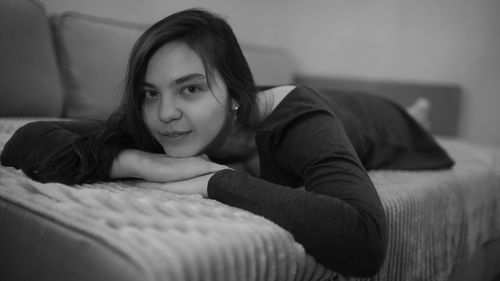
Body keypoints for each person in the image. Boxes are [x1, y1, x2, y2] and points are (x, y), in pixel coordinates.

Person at [0, 8, 454, 278]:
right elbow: (25, 140)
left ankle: (413, 113)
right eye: (150, 92)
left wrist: (217, 180)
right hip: (285, 110)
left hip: (371, 121)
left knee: (391, 120)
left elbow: (364, 239)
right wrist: (140, 161)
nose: (166, 114)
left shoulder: (294, 122)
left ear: (234, 95)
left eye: (191, 88)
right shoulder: (159, 122)